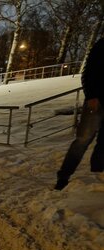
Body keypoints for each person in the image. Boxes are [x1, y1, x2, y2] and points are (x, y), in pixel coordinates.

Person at [55, 37, 104, 190]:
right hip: (97, 101)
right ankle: (63, 177)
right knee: (83, 140)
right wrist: (91, 96)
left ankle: (97, 172)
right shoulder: (101, 45)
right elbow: (88, 72)